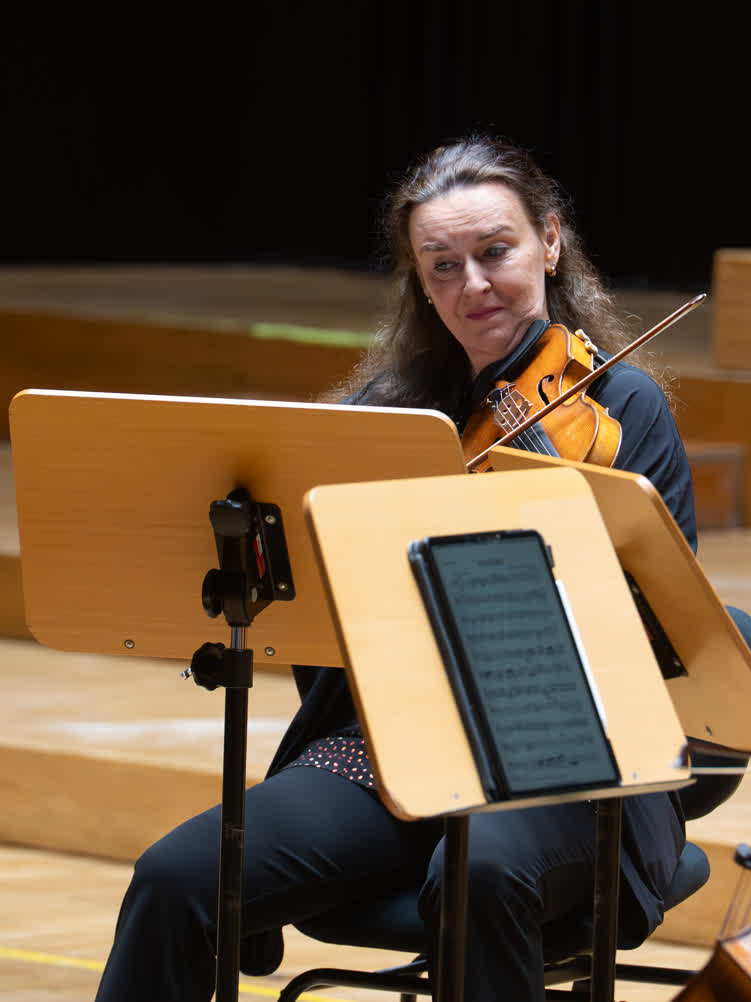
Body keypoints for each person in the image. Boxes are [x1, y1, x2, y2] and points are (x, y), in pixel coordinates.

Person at [94, 135, 698, 1002]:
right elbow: (323, 634)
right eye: (442, 266)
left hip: (572, 756)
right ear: (419, 279)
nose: (473, 287)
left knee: (480, 876)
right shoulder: (388, 412)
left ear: (550, 242)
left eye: (495, 253)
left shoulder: (620, 407)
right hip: (394, 746)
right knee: (178, 877)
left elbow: (664, 627)